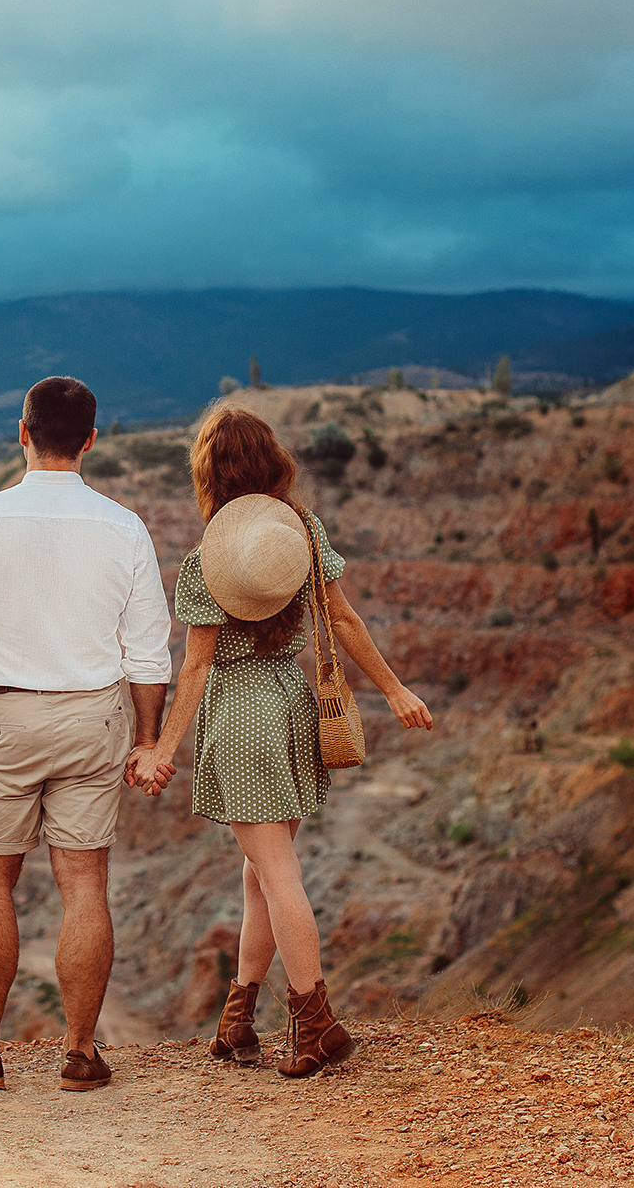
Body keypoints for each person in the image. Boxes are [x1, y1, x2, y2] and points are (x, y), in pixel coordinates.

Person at [128, 405, 433, 1078]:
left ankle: (314, 1020)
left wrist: (163, 748)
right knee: (261, 872)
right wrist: (395, 689)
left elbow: (198, 667)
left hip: (241, 712)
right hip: (291, 705)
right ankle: (238, 1020)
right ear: (273, 461)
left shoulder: (207, 559)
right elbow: (345, 619)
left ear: (210, 472)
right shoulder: (303, 531)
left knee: (276, 872)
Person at [0, 375, 172, 1093]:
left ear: (21, 432)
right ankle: (83, 1053)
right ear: (91, 439)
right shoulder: (124, 526)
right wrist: (146, 736)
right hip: (95, 717)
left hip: (6, 715)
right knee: (84, 882)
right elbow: (149, 651)